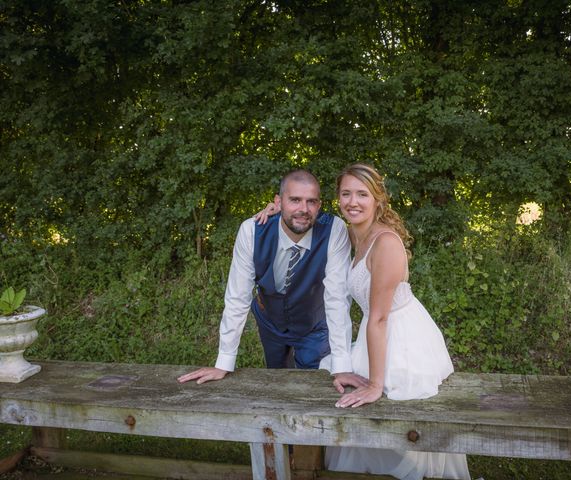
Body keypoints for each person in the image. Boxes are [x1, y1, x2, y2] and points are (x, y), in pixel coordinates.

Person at [257, 164, 470, 480]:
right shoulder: (349, 232)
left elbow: (381, 317)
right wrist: (274, 210)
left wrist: (375, 384)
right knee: (349, 415)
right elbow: (304, 216)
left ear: (378, 200)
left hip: (400, 337)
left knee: (394, 425)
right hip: (376, 331)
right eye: (346, 194)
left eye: (362, 194)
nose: (353, 201)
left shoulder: (385, 242)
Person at [178, 169, 363, 390]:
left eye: (311, 202)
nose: (303, 209)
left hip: (314, 324)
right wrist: (224, 362)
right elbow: (237, 297)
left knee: (315, 384)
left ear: (319, 205)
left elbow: (337, 297)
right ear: (278, 201)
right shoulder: (252, 231)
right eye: (294, 200)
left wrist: (341, 366)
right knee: (277, 381)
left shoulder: (334, 230)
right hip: (270, 321)